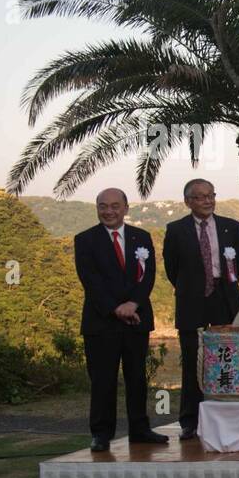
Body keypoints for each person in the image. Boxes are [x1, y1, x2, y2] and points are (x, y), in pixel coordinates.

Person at [73, 188, 167, 451]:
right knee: (103, 379)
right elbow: (90, 280)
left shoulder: (142, 237)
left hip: (136, 319)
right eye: (103, 206)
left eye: (115, 206)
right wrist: (116, 308)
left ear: (126, 208)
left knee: (137, 377)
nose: (109, 211)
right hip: (101, 322)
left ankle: (140, 429)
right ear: (97, 208)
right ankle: (101, 434)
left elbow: (147, 276)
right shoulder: (85, 240)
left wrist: (133, 304)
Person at [162, 178, 239, 440]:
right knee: (192, 361)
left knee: (227, 360)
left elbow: (237, 266)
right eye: (200, 197)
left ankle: (227, 415)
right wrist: (195, 286)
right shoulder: (176, 230)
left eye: (211, 195)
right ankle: (191, 421)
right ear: (188, 201)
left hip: (225, 298)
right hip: (192, 300)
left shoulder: (232, 227)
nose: (207, 201)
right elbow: (172, 269)